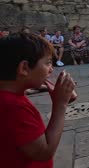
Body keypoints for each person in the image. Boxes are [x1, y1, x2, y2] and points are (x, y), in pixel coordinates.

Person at [0, 33, 76, 167]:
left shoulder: (9, 96)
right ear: (24, 68)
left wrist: (41, 87)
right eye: (47, 63)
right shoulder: (13, 107)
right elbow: (44, 151)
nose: (51, 69)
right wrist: (60, 104)